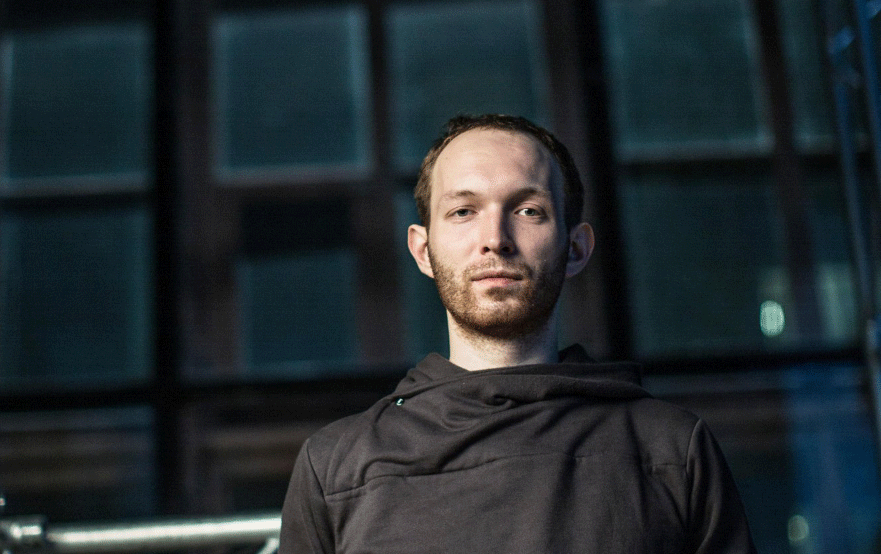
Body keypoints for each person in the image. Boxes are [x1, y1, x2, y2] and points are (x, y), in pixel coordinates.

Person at [279, 114, 757, 553]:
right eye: (463, 211)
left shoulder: (671, 449)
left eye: (528, 210)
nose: (495, 239)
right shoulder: (335, 467)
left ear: (575, 248)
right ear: (423, 251)